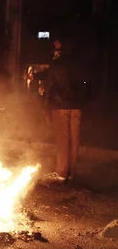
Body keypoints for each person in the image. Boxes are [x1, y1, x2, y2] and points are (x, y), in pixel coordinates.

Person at [40, 50, 91, 183]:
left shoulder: (57, 64)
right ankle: (71, 173)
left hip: (60, 106)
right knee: (75, 139)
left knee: (63, 139)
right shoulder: (82, 64)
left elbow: (49, 88)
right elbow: (89, 86)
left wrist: (45, 107)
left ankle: (61, 173)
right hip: (77, 106)